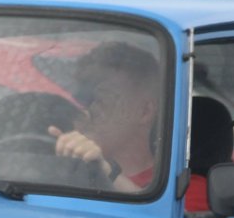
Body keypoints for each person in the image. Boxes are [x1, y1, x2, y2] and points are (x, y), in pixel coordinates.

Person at [49, 41, 160, 192]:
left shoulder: (183, 192)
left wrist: (106, 171)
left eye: (102, 99)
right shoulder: (54, 175)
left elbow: (155, 214)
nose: (85, 110)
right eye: (81, 99)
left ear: (144, 112)